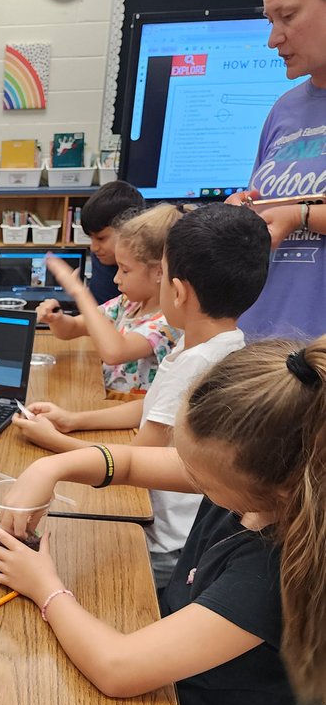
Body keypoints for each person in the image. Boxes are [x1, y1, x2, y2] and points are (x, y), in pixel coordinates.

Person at [0, 336, 325, 705]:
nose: (186, 476)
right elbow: (130, 463)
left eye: (199, 476)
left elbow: (118, 669)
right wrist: (47, 470)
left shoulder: (275, 573)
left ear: (273, 490)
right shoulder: (262, 481)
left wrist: (44, 585)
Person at [15, 204, 270, 585]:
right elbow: (152, 408)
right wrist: (74, 420)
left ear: (177, 291)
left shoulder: (198, 364)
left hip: (161, 541)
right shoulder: (215, 344)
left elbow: (134, 458)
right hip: (160, 521)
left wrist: (55, 442)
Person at [228, 0, 326, 340]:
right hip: (262, 348)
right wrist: (245, 212)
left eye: (288, 16)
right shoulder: (284, 110)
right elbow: (269, 208)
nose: (273, 39)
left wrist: (300, 214)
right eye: (271, 20)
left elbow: (292, 212)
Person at [37, 205, 180, 400]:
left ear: (159, 272)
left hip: (129, 411)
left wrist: (80, 292)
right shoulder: (128, 304)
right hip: (105, 398)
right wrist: (56, 319)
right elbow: (72, 329)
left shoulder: (168, 324)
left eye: (125, 270)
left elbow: (115, 352)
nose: (116, 279)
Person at [78, 180, 145, 304]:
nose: (93, 248)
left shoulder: (144, 272)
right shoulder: (102, 257)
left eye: (101, 238)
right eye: (91, 238)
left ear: (130, 229)